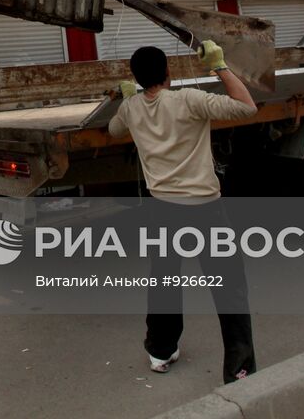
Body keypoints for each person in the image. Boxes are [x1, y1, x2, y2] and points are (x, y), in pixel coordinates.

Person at [108, 42, 258, 381]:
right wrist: (220, 65)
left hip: (162, 211)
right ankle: (239, 367)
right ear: (168, 73)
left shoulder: (131, 108)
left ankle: (160, 351)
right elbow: (247, 107)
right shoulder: (189, 100)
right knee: (228, 285)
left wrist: (127, 98)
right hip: (205, 209)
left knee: (164, 282)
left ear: (136, 77)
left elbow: (114, 130)